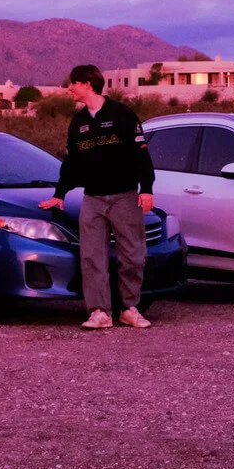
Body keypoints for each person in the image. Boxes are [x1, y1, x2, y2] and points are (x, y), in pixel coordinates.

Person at [39, 65, 156, 330]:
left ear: (88, 84)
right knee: (92, 257)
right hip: (92, 200)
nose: (70, 88)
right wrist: (60, 194)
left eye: (74, 83)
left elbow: (141, 153)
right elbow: (71, 163)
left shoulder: (122, 114)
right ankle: (99, 312)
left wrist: (146, 188)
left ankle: (129, 308)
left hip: (125, 197)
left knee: (133, 256)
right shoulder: (78, 123)